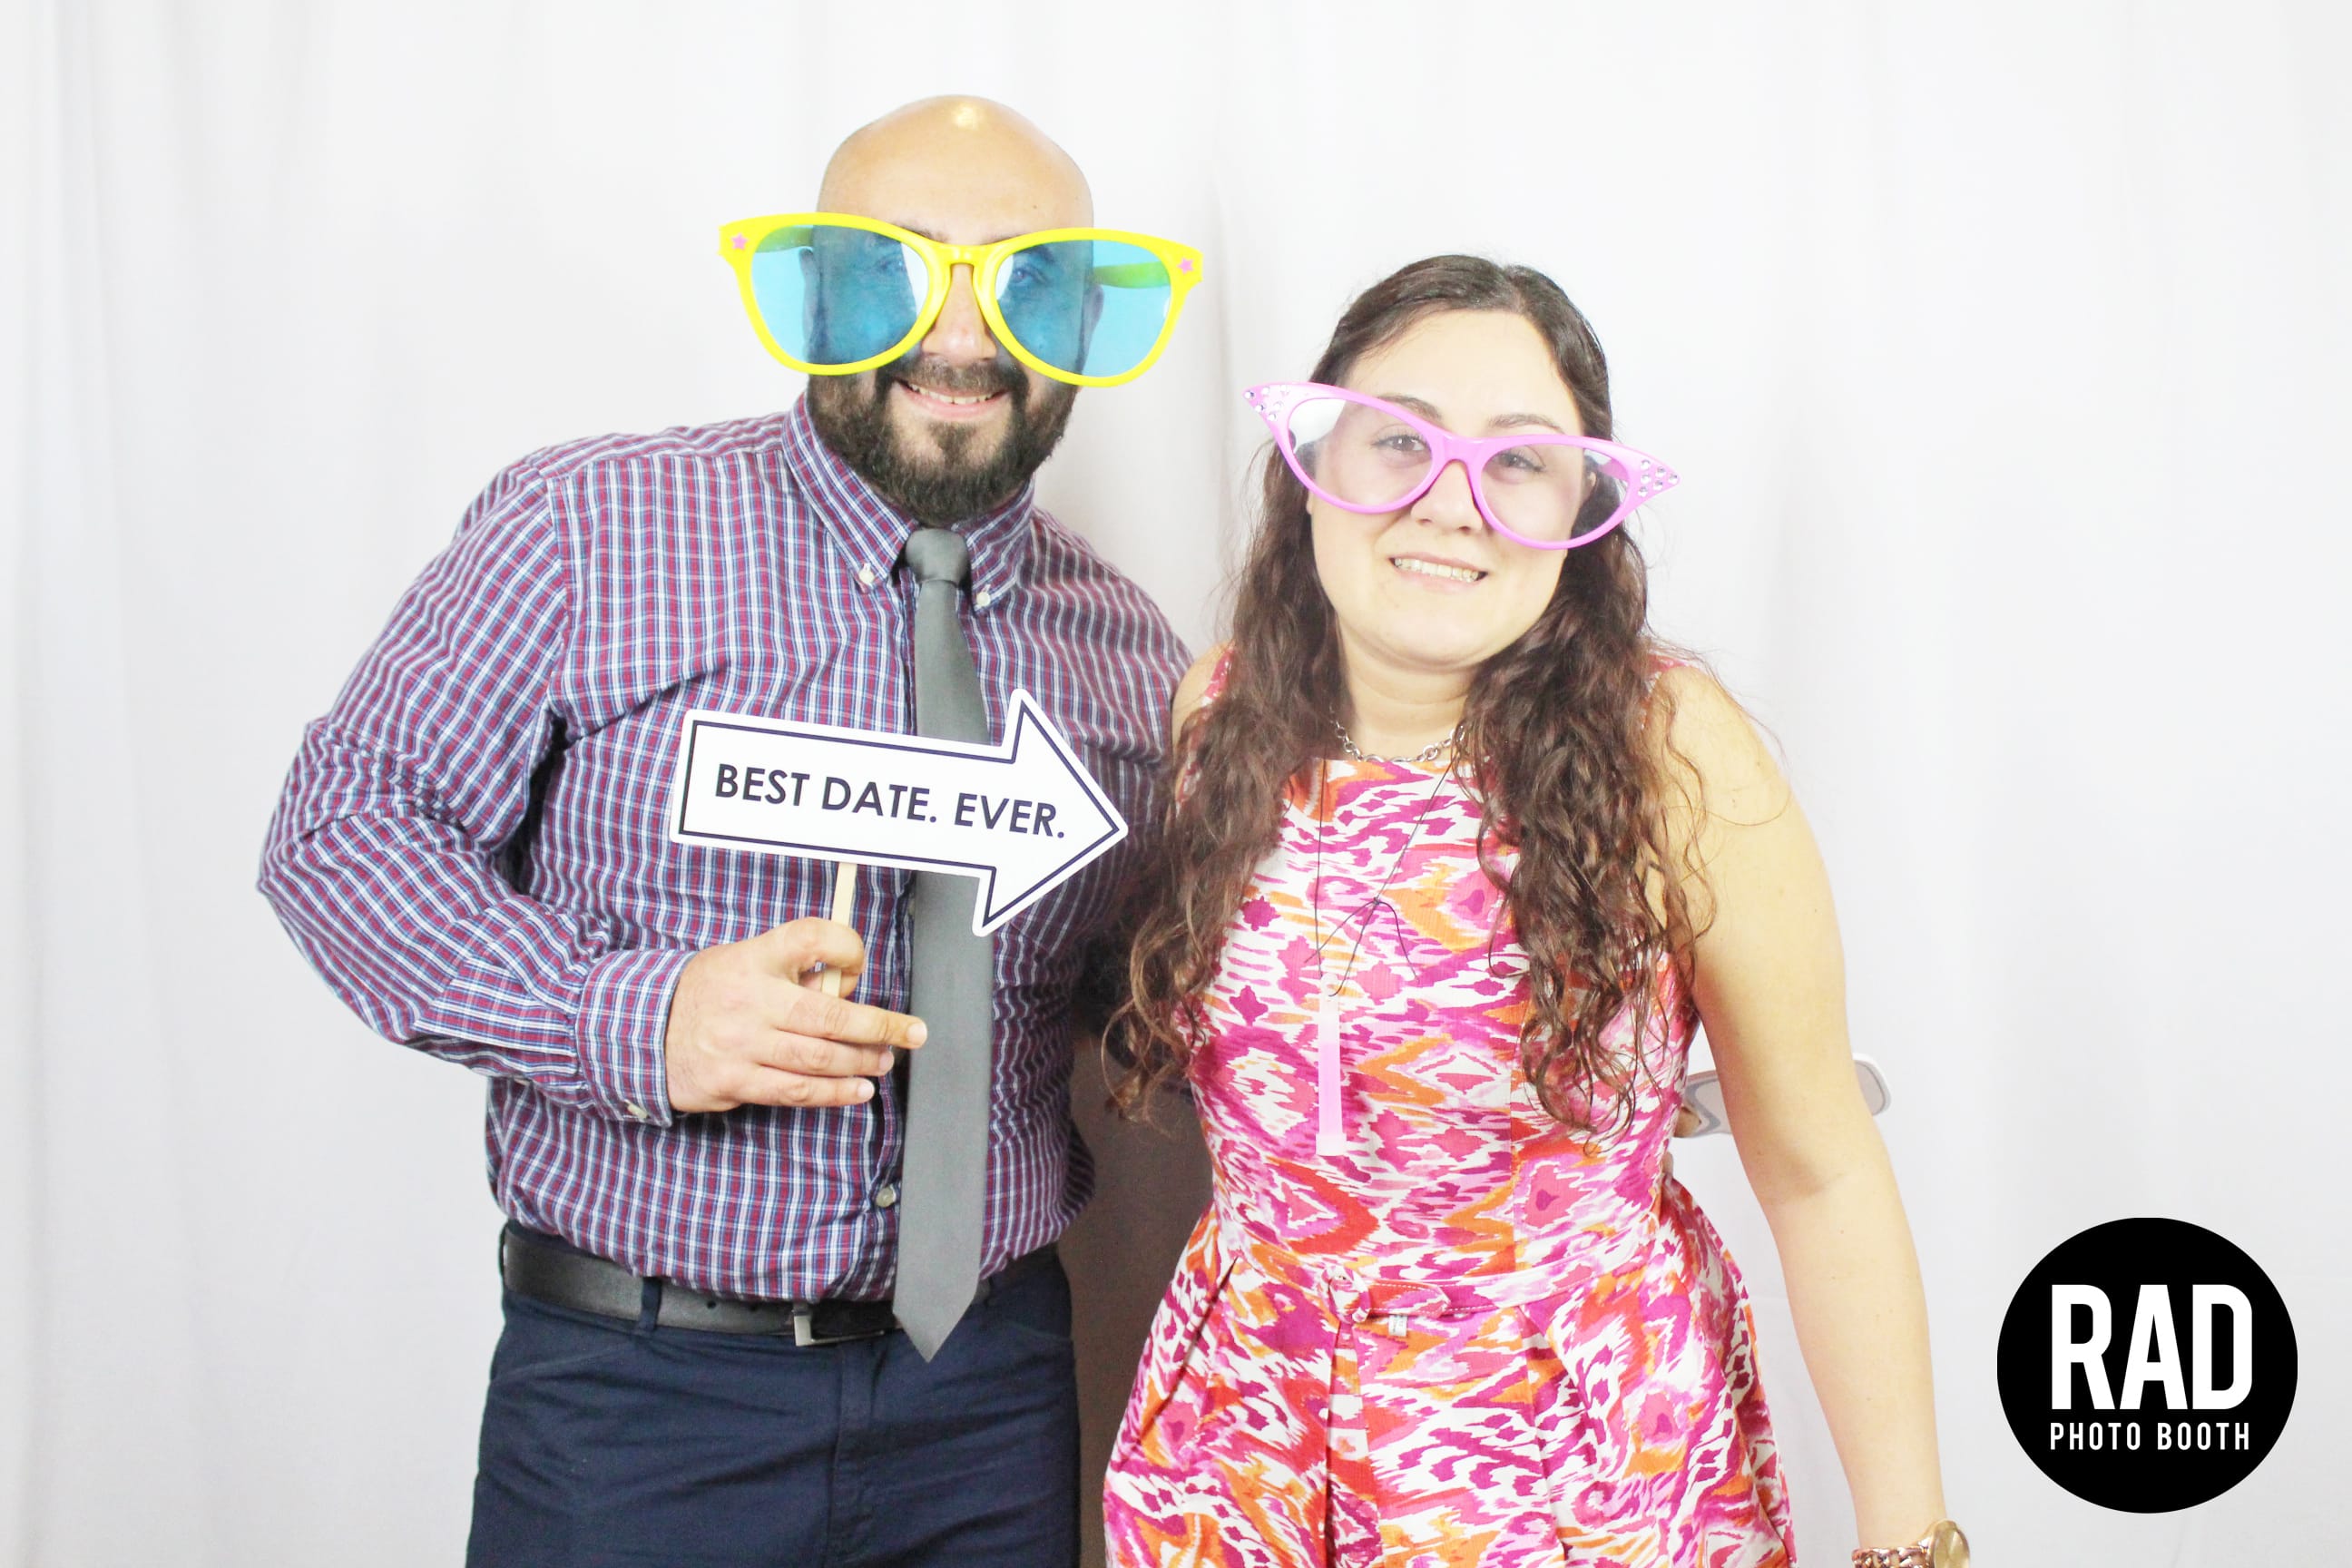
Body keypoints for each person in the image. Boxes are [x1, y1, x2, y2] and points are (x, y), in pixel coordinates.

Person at [259, 96, 1194, 1568]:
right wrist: (638, 1019)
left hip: (989, 1401)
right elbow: (344, 832)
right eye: (895, 271)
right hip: (641, 1401)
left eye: (1028, 281)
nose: (962, 337)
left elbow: (1146, 1001)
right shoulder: (587, 526)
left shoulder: (1133, 656)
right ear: (816, 293)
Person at [1101, 257, 1962, 1567]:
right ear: (1314, 461)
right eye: (1399, 440)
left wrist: (1911, 1545)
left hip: (1570, 1468)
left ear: (1582, 510)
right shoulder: (1217, 712)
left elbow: (1819, 1170)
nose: (1452, 504)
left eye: (1516, 461)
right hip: (1244, 1452)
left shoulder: (1668, 749)